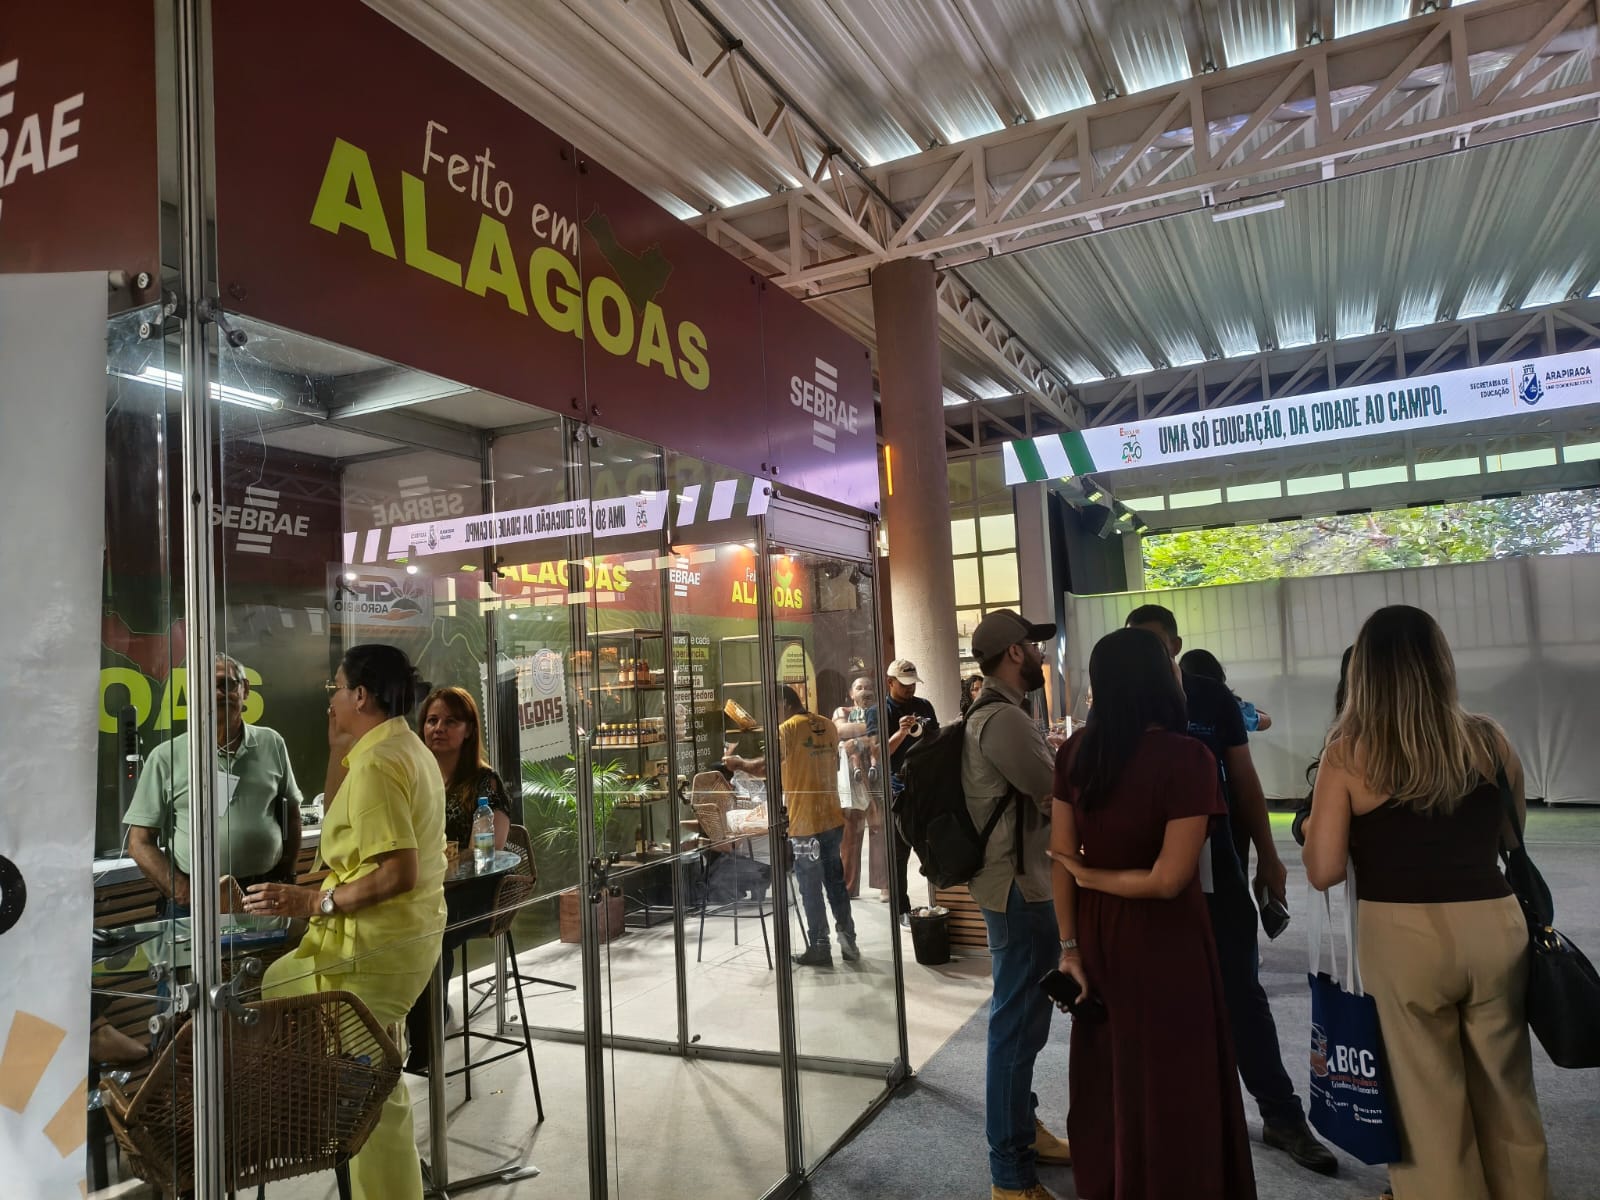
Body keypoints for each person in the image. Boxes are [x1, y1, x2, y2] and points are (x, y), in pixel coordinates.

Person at [1303, 606, 1549, 1200]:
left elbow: (1324, 870)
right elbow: (1510, 836)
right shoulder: (1490, 739)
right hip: (1493, 923)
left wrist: (1317, 826)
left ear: (1364, 672)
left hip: (1402, 935)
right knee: (1508, 1090)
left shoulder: (1348, 753)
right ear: (1441, 662)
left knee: (1427, 1106)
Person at [1125, 605, 1334, 1175]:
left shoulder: (1211, 699)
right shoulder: (1120, 703)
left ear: (1175, 645)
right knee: (1160, 1004)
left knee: (1242, 995)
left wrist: (1269, 857)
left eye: (1156, 644)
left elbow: (1244, 781)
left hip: (1220, 874)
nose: (1148, 657)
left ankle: (1282, 1115)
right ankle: (1177, 1123)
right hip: (1148, 882)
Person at [1049, 627, 1256, 1200]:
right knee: (1175, 1071)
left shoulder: (1076, 752)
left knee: (1109, 1068)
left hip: (1096, 932)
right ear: (1161, 680)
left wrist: (1069, 947)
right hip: (1167, 938)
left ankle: (1115, 1182)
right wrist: (1093, 877)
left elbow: (1062, 860)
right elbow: (1168, 880)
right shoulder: (1187, 757)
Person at [242, 644, 446, 1200]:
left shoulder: (380, 763)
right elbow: (339, 819)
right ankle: (323, 1115)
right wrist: (337, 746)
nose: (329, 700)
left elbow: (398, 870)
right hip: (392, 938)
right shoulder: (396, 747)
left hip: (375, 946)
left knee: (367, 1084)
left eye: (335, 688)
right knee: (283, 985)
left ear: (360, 695)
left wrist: (315, 903)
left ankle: (324, 1135)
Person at [963, 609, 1072, 1200]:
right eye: (1033, 645)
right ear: (1013, 653)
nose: (1039, 655)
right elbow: (1056, 794)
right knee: (1016, 1027)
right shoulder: (1003, 718)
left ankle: (1023, 1130)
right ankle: (1010, 1176)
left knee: (1022, 1024)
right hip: (1020, 887)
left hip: (1015, 883)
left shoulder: (997, 712)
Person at [125, 653, 303, 913]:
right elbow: (139, 842)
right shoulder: (166, 756)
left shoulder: (272, 743)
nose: (219, 693)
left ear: (245, 689)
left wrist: (287, 875)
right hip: (198, 898)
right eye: (208, 686)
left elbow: (292, 815)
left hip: (264, 893)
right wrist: (183, 892)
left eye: (227, 684)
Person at [403, 685, 511, 1072]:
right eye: (432, 720)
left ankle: (425, 1040)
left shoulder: (484, 782)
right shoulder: (414, 777)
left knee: (431, 930)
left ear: (468, 730)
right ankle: (411, 1026)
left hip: (478, 892)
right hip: (427, 887)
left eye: (450, 721)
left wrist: (446, 865)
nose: (439, 728)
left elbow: (492, 848)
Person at [725, 686, 857, 967]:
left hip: (805, 822)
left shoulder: (787, 729)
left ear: (784, 703)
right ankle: (848, 940)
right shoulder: (828, 725)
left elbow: (767, 768)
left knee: (810, 885)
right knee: (835, 882)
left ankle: (820, 946)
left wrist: (739, 764)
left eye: (772, 708)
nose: (770, 715)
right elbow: (831, 766)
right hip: (831, 816)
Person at [883, 658, 940, 926]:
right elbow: (880, 753)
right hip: (897, 792)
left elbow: (937, 741)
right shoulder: (880, 711)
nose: (910, 689)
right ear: (890, 682)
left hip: (925, 787)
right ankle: (901, 909)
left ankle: (939, 902)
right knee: (898, 855)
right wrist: (902, 732)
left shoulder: (924, 705)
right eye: (904, 684)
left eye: (913, 684)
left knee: (933, 847)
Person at [831, 674, 880, 896]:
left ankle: (884, 886)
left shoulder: (877, 710)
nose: (864, 691)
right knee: (850, 833)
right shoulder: (842, 711)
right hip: (851, 779)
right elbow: (840, 731)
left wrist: (860, 738)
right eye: (859, 687)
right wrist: (872, 729)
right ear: (851, 694)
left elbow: (877, 736)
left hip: (875, 775)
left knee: (879, 830)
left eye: (868, 687)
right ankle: (848, 887)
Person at [1179, 648, 1273, 731]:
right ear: (1217, 673)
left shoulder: (1178, 707)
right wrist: (1247, 709)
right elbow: (1266, 722)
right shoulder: (1228, 706)